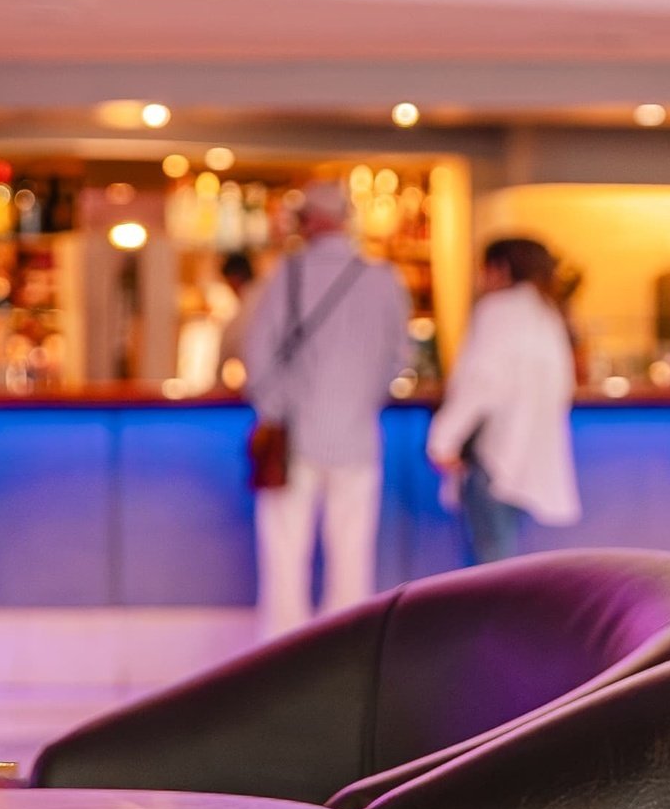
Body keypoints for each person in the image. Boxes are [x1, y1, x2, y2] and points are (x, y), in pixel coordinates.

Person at [237, 190, 411, 638]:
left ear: (311, 221)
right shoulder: (384, 279)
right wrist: (363, 399)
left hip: (296, 435)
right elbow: (399, 359)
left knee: (283, 554)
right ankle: (344, 652)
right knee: (351, 555)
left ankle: (280, 656)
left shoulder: (287, 275)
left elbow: (257, 354)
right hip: (357, 437)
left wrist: (275, 408)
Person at [429, 236, 580, 564]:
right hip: (526, 458)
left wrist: (442, 440)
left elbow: (481, 383)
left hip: (493, 460)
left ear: (499, 269)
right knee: (500, 562)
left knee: (489, 569)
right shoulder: (547, 313)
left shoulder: (499, 310)